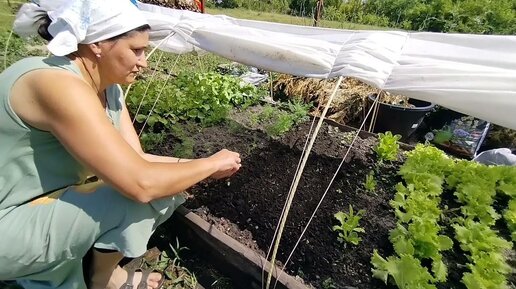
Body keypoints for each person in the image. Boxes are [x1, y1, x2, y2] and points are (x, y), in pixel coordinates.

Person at [0, 0, 241, 288]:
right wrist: (208, 164)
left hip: (38, 204)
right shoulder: (57, 85)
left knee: (169, 186)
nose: (145, 62)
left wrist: (203, 167)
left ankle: (83, 271)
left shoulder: (107, 87)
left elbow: (136, 158)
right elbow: (141, 183)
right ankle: (101, 279)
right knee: (140, 195)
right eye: (136, 50)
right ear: (98, 44)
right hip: (8, 223)